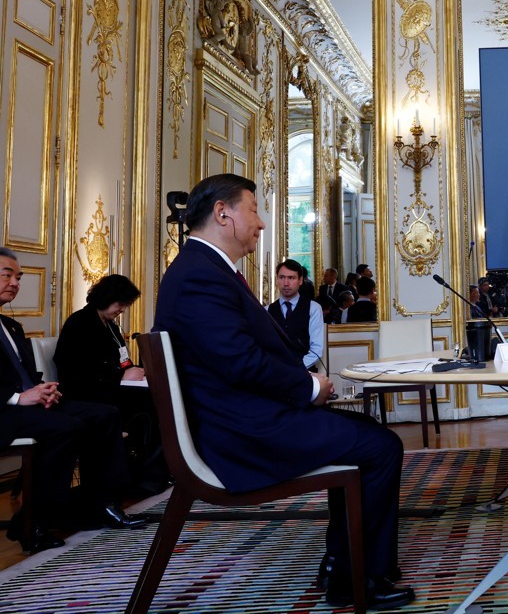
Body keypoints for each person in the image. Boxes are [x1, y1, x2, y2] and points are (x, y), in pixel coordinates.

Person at [153, 174, 412, 608]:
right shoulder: (201, 275)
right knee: (380, 446)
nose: (261, 223)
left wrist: (307, 387)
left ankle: (343, 560)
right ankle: (359, 578)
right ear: (223, 213)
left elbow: (242, 355)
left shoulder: (205, 269)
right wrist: (310, 387)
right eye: (253, 210)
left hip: (245, 418)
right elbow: (239, 361)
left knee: (365, 434)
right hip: (241, 434)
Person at [0, 249, 145, 554]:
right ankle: (34, 520)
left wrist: (43, 388)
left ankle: (104, 502)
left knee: (105, 415)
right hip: (6, 409)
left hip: (32, 403)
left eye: (18, 277)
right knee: (67, 427)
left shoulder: (11, 326)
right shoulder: (82, 322)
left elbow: (25, 375)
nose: (14, 283)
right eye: (7, 275)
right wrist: (18, 397)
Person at [54, 274, 167, 493]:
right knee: (148, 409)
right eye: (121, 303)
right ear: (107, 297)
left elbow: (123, 361)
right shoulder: (79, 323)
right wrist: (121, 376)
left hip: (113, 389)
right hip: (87, 393)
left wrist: (134, 370)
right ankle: (140, 479)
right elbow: (77, 369)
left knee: (158, 402)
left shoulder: (112, 328)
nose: (122, 309)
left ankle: (151, 475)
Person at [266, 259, 324, 370]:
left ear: (300, 280)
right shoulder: (267, 310)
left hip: (305, 372)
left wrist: (294, 369)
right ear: (277, 279)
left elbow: (316, 349)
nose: (286, 283)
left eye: (291, 278)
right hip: (276, 372)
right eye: (282, 277)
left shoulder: (313, 308)